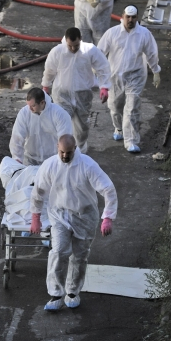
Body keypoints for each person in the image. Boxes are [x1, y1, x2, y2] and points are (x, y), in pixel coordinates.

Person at [30, 134, 117, 311]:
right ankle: (55, 293)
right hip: (59, 214)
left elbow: (108, 188)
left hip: (84, 216)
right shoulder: (50, 166)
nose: (64, 156)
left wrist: (107, 217)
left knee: (79, 255)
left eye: (68, 152)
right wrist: (35, 216)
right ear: (57, 148)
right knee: (59, 250)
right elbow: (38, 191)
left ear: (75, 149)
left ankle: (72, 292)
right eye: (62, 152)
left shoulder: (87, 165)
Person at [97, 5, 161, 153]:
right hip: (115, 75)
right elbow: (99, 53)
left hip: (136, 75)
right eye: (128, 17)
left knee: (132, 107)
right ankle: (118, 127)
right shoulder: (112, 33)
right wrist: (99, 73)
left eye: (133, 17)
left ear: (137, 18)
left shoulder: (144, 34)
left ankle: (131, 140)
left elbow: (151, 53)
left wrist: (156, 71)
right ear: (123, 16)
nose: (130, 20)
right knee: (115, 105)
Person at [41, 26, 111, 153]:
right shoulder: (58, 52)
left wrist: (104, 86)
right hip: (62, 94)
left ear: (81, 39)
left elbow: (103, 67)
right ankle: (61, 151)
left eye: (76, 45)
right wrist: (46, 85)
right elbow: (49, 69)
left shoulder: (90, 50)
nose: (73, 49)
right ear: (65, 41)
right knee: (61, 124)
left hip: (83, 94)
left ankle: (80, 150)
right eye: (70, 46)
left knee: (81, 127)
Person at [9, 87, 73, 166]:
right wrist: (17, 159)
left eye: (33, 106)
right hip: (30, 159)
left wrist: (62, 161)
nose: (29, 109)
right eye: (28, 105)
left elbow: (65, 139)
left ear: (42, 102)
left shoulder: (59, 114)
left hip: (52, 160)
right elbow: (17, 137)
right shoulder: (24, 113)